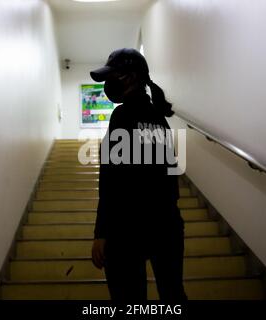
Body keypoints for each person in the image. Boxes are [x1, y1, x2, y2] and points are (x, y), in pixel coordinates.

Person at [90, 48, 187, 302]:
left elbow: (112, 181)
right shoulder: (159, 118)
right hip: (167, 223)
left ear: (132, 77)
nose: (108, 84)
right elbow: (169, 174)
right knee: (173, 294)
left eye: (114, 76)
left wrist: (101, 232)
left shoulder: (122, 116)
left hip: (128, 228)